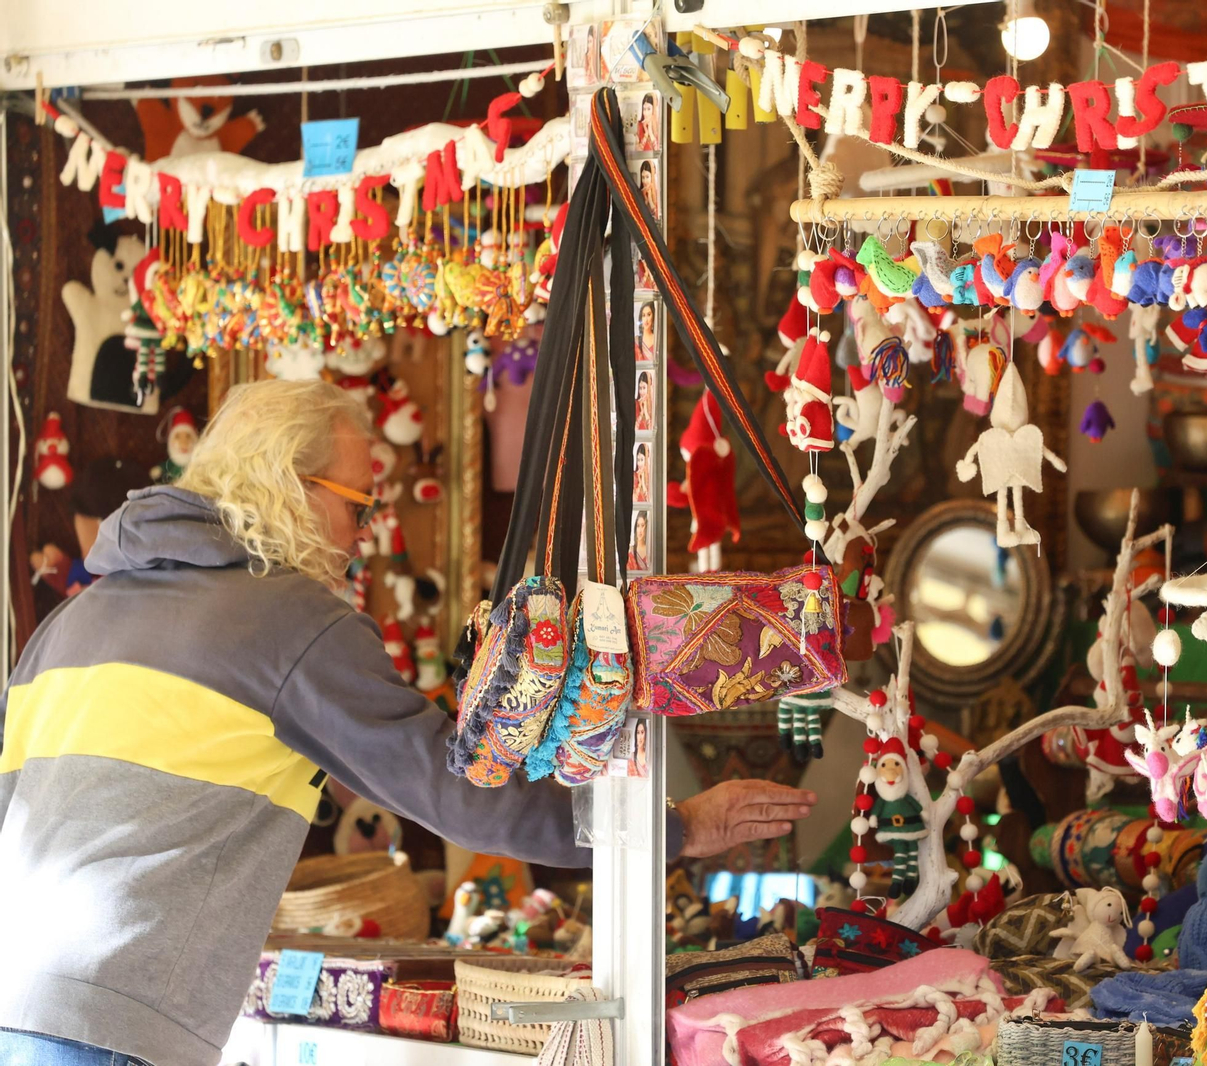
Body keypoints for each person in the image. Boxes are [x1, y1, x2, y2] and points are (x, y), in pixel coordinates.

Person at [0, 380, 813, 1066]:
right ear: (291, 486)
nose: (364, 533)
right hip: (111, 1019)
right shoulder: (287, 620)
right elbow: (458, 795)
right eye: (359, 503)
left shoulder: (69, 625)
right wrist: (670, 833)